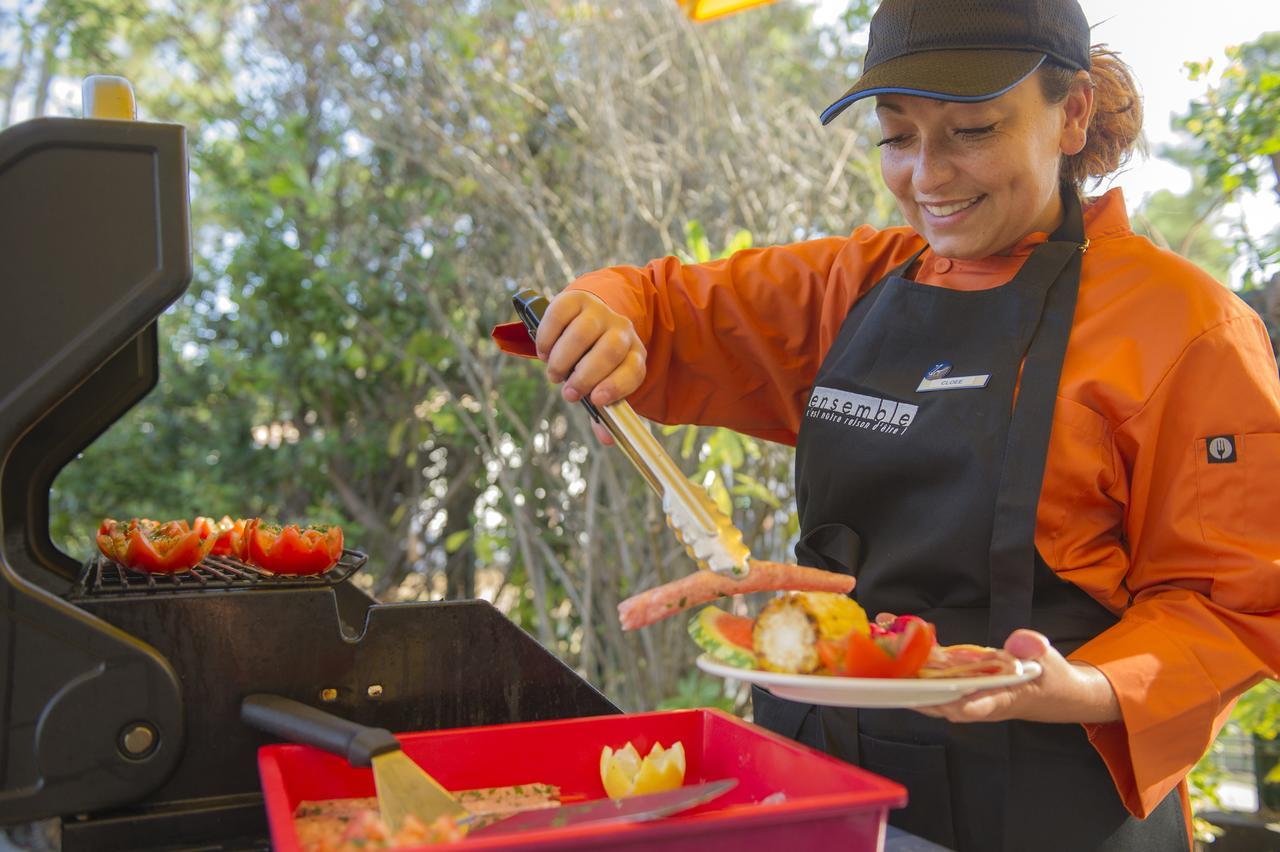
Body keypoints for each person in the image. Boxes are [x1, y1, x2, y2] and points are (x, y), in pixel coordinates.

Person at [494, 0, 1280, 849]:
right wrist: (602, 315)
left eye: (971, 130)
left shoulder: (1186, 327)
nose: (929, 176)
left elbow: (1234, 601)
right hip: (828, 791)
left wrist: (1084, 685)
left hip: (1052, 801)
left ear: (1074, 112)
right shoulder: (857, 284)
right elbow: (658, 307)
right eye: (897, 137)